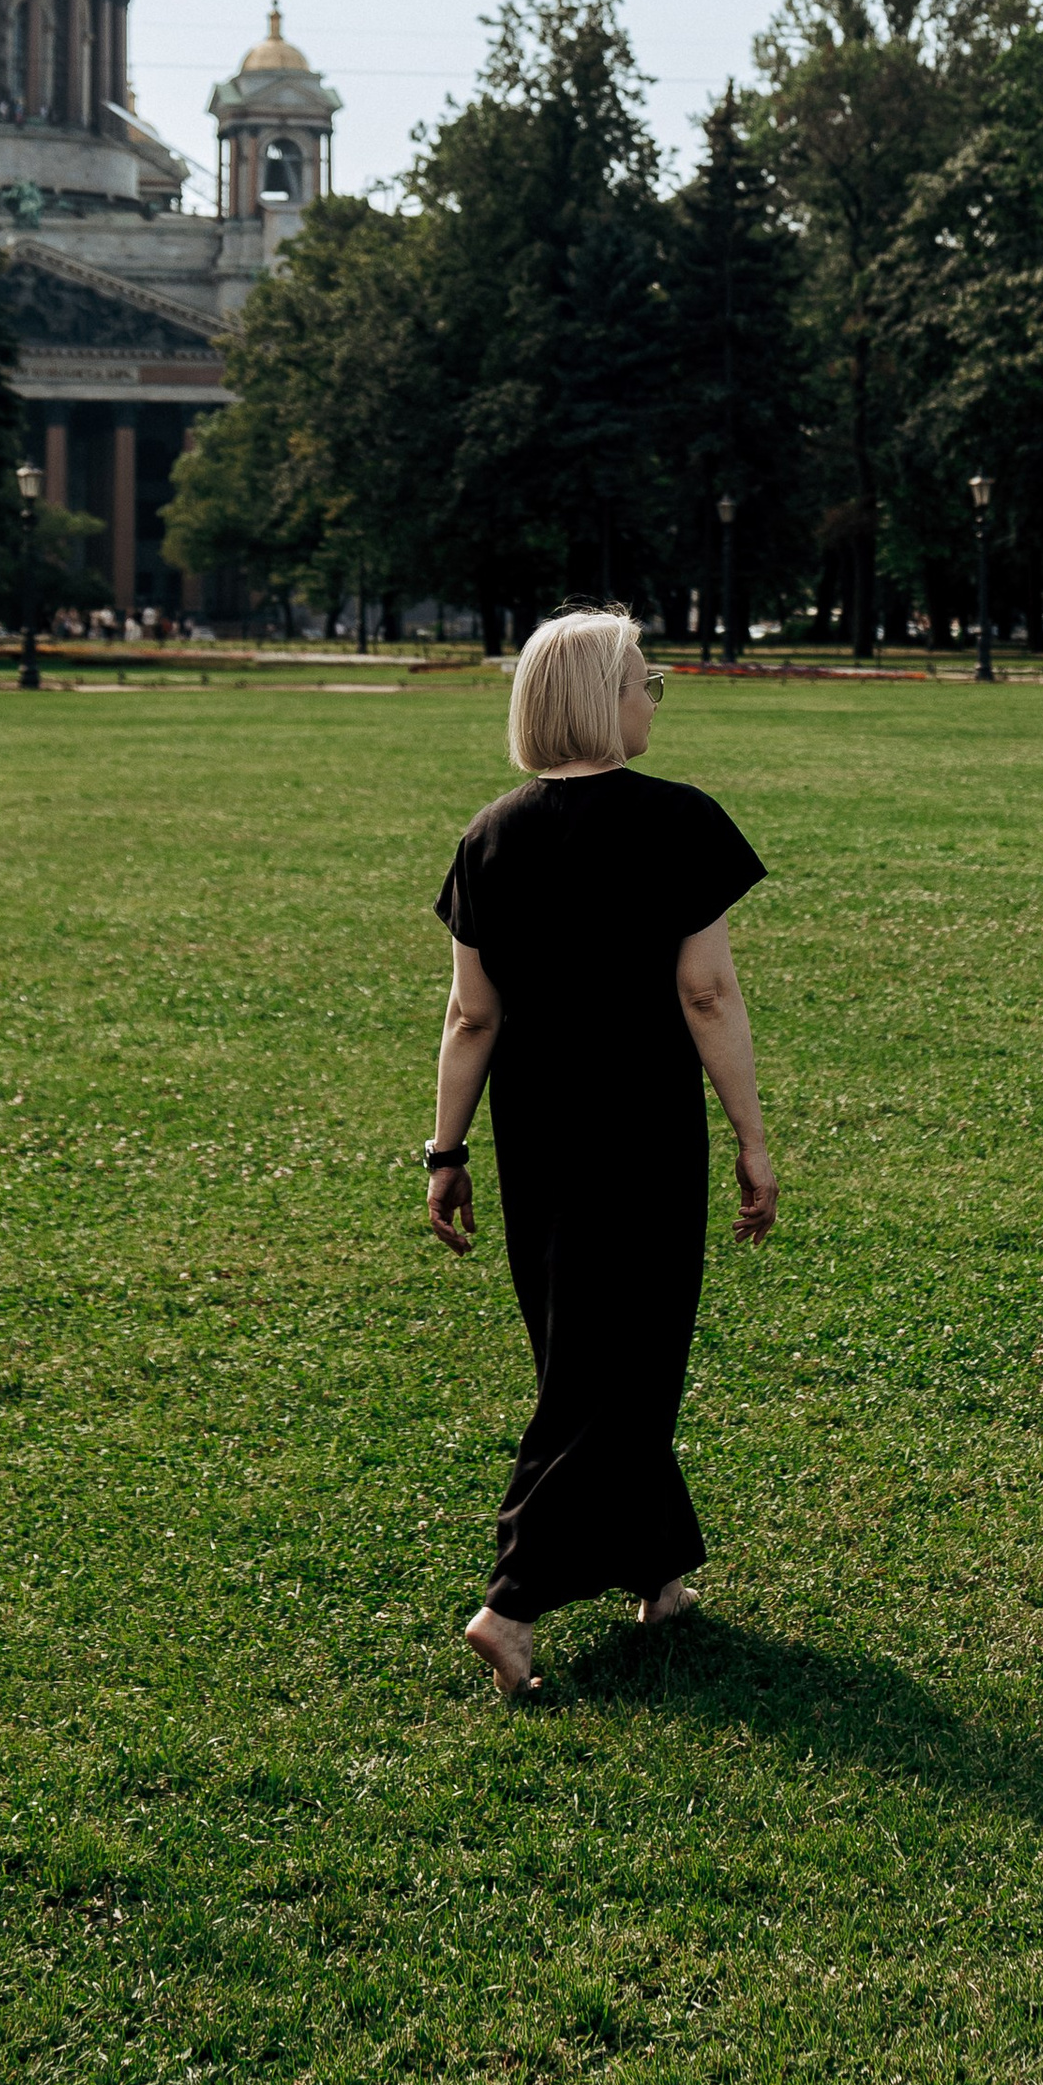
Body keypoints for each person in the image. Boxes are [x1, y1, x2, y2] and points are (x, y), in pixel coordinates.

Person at [426, 606, 778, 1697]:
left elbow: (468, 1019)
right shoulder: (680, 824)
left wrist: (445, 1152)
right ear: (599, 699)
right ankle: (512, 1605)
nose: (652, 695)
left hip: (536, 1141)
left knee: (591, 1354)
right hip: (641, 1138)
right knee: (611, 1368)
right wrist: (753, 1142)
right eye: (644, 678)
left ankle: (654, 1572)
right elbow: (706, 992)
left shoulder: (489, 837)